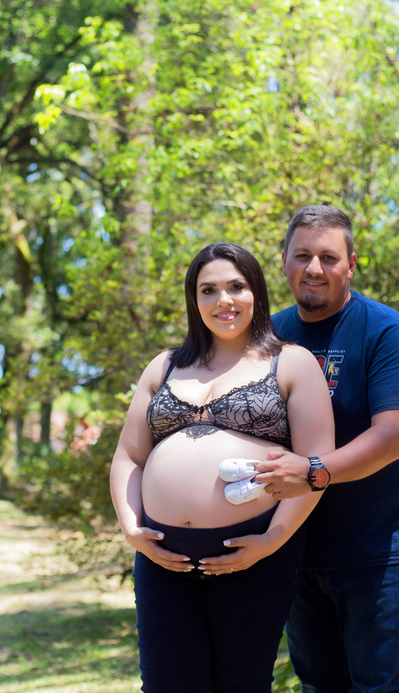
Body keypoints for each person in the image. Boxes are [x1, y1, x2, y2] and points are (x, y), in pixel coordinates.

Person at [109, 242, 336, 693]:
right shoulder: (165, 366)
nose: (223, 300)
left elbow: (314, 467)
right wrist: (132, 529)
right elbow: (128, 457)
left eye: (236, 286)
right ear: (194, 300)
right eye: (208, 290)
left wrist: (271, 541)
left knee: (242, 684)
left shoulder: (291, 362)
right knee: (167, 685)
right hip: (162, 557)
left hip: (252, 554)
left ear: (257, 292)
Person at [253, 205, 399, 693]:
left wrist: (312, 471)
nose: (315, 268)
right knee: (319, 687)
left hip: (379, 553)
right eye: (303, 255)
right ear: (285, 262)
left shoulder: (386, 331)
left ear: (351, 264)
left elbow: (391, 437)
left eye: (329, 257)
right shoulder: (265, 337)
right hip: (297, 549)